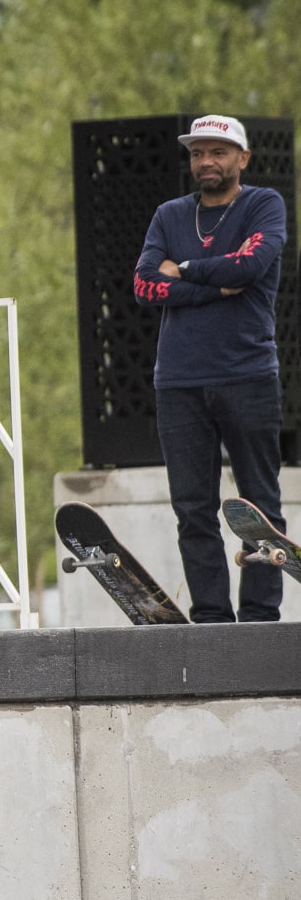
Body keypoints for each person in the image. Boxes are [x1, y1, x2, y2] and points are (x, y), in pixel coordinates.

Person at [133, 113, 288, 623]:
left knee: (259, 507)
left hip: (247, 374)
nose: (206, 161)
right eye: (198, 152)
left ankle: (262, 616)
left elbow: (249, 266)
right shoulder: (169, 215)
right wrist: (213, 284)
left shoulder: (264, 205)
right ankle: (212, 619)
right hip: (178, 381)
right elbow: (144, 285)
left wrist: (190, 269)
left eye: (218, 152)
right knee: (192, 511)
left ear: (242, 158)